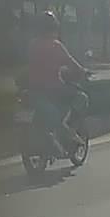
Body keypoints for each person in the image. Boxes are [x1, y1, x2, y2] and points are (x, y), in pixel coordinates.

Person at [26, 12, 88, 155]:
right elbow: (71, 62)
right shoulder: (55, 45)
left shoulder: (32, 44)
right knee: (82, 97)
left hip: (34, 89)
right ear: (53, 28)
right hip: (53, 89)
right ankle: (69, 130)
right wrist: (83, 71)